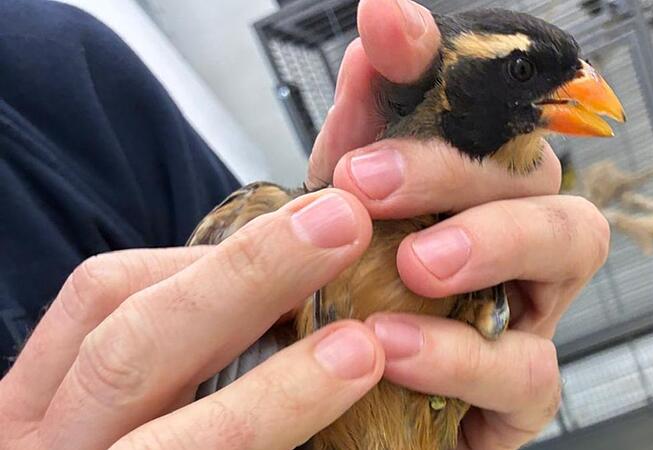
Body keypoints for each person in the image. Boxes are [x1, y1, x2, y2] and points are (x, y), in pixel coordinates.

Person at [0, 0, 610, 448]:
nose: (587, 90)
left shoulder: (47, 66)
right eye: (521, 73)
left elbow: (216, 311)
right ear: (453, 85)